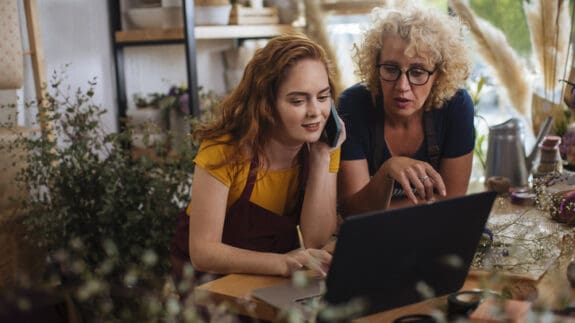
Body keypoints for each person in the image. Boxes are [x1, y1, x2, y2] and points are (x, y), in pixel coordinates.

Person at [180, 34, 344, 279]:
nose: (315, 112)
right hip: (206, 283)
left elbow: (316, 240)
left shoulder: (324, 144)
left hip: (271, 277)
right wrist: (282, 263)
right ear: (266, 104)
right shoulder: (224, 149)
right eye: (298, 100)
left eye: (322, 97)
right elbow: (203, 252)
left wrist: (321, 159)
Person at [337, 2, 475, 215]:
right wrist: (388, 170)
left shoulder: (455, 105)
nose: (402, 87)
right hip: (374, 238)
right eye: (391, 69)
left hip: (432, 232)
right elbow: (352, 210)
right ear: (375, 67)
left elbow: (453, 201)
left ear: (438, 75)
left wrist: (382, 210)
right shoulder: (353, 106)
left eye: (418, 72)